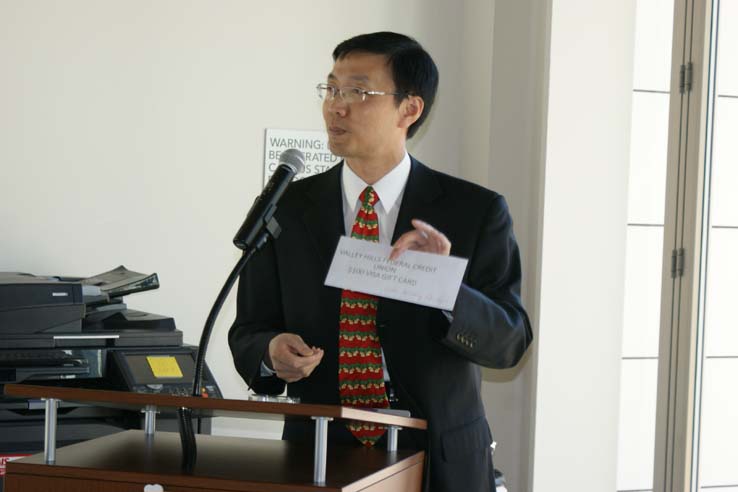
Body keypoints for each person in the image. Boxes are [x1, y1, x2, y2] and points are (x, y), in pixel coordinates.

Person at [229, 31, 532, 492]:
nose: (336, 106)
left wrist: (446, 286)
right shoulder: (287, 209)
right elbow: (248, 331)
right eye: (331, 89)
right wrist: (271, 355)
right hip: (319, 453)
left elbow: (509, 342)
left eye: (357, 91)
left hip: (440, 460)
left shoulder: (474, 210)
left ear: (410, 109)